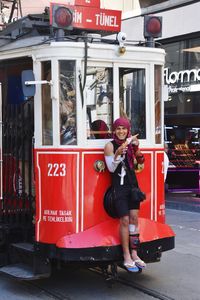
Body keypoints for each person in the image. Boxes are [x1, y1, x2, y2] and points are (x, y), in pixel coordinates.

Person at [104, 117, 146, 272]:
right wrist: (117, 154)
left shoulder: (130, 146)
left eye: (124, 128)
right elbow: (111, 169)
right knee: (125, 220)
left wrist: (136, 149)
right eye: (118, 128)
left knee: (134, 219)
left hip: (132, 186)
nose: (121, 131)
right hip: (119, 187)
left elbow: (140, 165)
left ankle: (135, 253)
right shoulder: (109, 145)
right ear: (114, 130)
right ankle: (126, 255)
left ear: (128, 130)